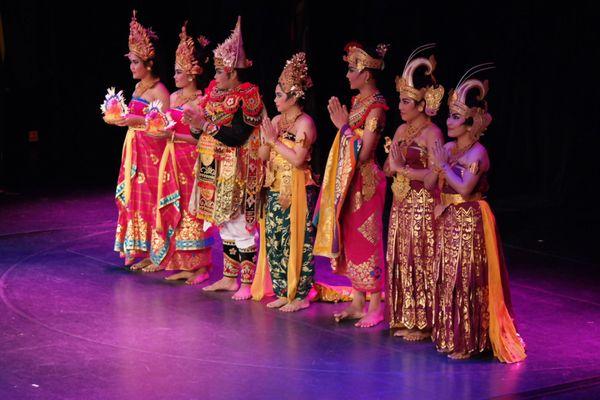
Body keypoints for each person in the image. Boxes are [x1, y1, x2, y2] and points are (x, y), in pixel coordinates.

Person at [427, 65, 526, 362]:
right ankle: (450, 335)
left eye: (456, 117)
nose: (449, 121)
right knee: (446, 276)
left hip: (470, 219)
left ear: (471, 123)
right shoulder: (447, 147)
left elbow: (466, 188)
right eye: (450, 115)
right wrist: (429, 165)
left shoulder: (477, 153)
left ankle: (471, 340)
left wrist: (444, 166)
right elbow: (433, 183)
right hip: (447, 219)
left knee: (466, 277)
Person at [185, 17, 264, 300]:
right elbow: (204, 135)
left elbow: (238, 135)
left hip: (238, 170)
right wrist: (196, 125)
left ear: (232, 71)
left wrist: (205, 125)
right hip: (213, 168)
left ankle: (246, 282)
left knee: (241, 225)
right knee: (225, 226)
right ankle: (230, 278)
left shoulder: (248, 94)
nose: (215, 76)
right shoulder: (215, 94)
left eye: (219, 71)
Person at [313, 42, 389, 327]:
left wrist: (344, 127)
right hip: (350, 182)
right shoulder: (359, 103)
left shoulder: (377, 108)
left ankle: (376, 306)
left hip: (366, 184)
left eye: (351, 69)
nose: (347, 75)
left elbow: (366, 152)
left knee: (369, 241)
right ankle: (358, 303)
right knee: (352, 241)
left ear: (367, 74)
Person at [384, 44, 445, 341]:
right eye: (400, 100)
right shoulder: (399, 130)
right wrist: (393, 165)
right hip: (401, 202)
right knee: (400, 257)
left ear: (421, 105)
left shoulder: (432, 134)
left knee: (421, 258)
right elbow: (387, 168)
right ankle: (406, 317)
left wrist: (402, 168)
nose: (401, 106)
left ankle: (424, 322)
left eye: (406, 101)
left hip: (422, 205)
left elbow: (434, 178)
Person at [252, 52, 318, 312]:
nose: (275, 99)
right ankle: (282, 290)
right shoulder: (278, 121)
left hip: (298, 190)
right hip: (275, 187)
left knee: (298, 241)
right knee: (275, 241)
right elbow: (263, 155)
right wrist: (265, 139)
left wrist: (275, 141)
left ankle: (300, 294)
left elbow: (299, 159)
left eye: (280, 95)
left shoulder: (306, 123)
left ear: (294, 97)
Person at [151, 22, 214, 284]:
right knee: (175, 209)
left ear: (191, 74)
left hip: (190, 160)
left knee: (193, 212)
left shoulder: (201, 101)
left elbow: (203, 138)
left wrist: (173, 136)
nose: (174, 76)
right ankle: (182, 262)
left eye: (179, 72)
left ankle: (201, 267)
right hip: (171, 159)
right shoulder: (174, 98)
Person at [110, 10, 170, 270]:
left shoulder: (160, 91)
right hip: (135, 151)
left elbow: (164, 126)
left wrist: (134, 121)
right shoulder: (137, 89)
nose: (132, 67)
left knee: (153, 201)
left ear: (149, 64)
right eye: (131, 62)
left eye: (136, 62)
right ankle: (142, 250)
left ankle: (158, 256)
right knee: (136, 200)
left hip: (153, 154)